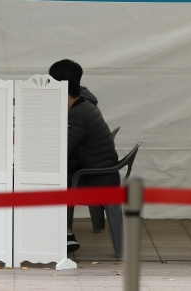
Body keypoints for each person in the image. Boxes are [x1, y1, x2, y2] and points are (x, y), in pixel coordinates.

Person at [51, 71, 119, 253]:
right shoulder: (85, 107)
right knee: (58, 176)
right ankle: (56, 231)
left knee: (55, 182)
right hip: (102, 174)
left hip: (98, 180)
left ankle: (65, 234)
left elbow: (61, 150)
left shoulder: (78, 114)